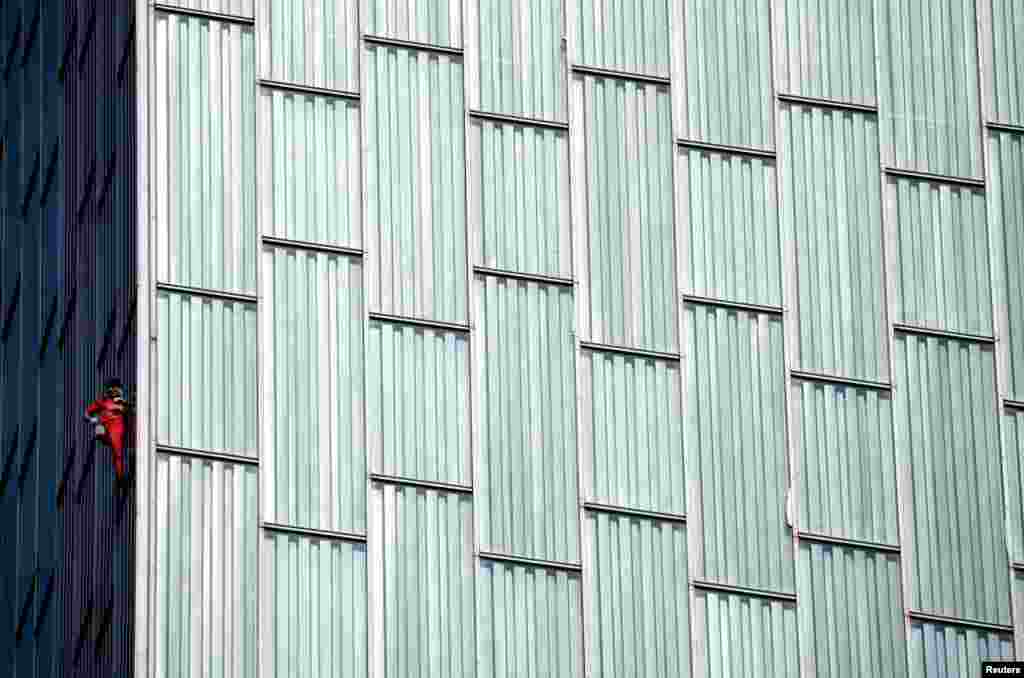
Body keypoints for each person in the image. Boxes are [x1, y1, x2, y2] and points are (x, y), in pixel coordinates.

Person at [85, 378, 132, 488]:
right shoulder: (102, 402)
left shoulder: (122, 402)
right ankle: (120, 477)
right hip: (106, 430)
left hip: (118, 430)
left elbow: (129, 410)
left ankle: (120, 477)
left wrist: (123, 406)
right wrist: (92, 419)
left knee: (118, 453)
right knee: (100, 429)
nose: (115, 391)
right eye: (113, 388)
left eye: (117, 388)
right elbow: (87, 413)